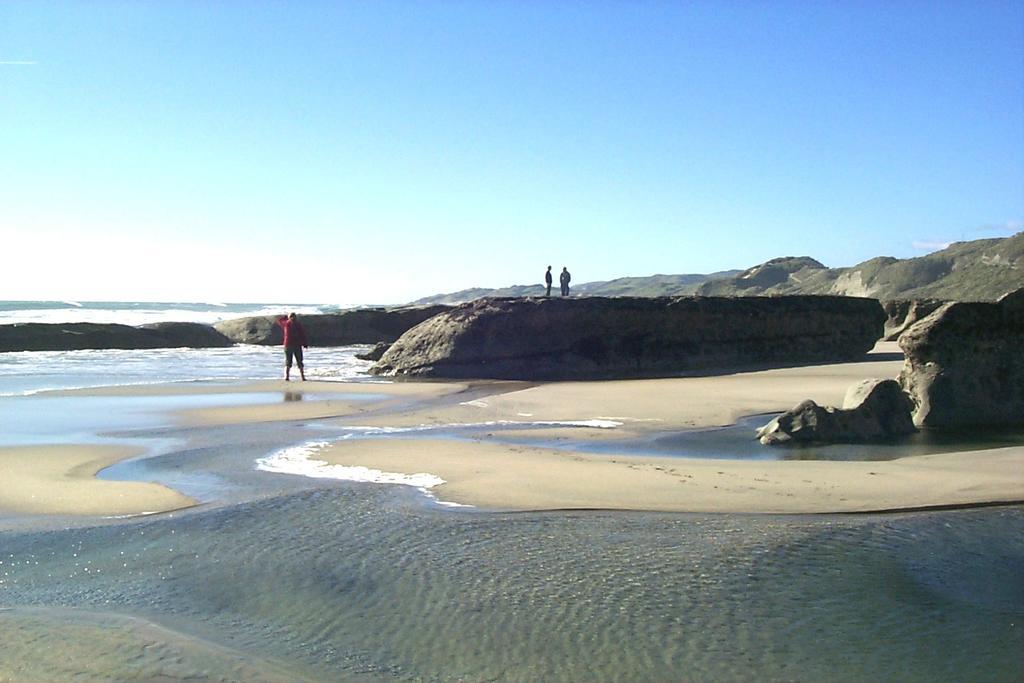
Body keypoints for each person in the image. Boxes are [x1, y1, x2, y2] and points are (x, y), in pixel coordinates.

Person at [276, 312, 308, 381]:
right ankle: (302, 377)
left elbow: (279, 321)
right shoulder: (298, 324)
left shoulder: (286, 323)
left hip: (288, 345)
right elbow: (302, 335)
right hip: (297, 345)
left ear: (289, 317)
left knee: (288, 361)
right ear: (296, 317)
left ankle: (287, 377)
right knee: (299, 361)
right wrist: (305, 344)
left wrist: (285, 317)